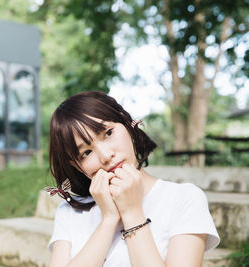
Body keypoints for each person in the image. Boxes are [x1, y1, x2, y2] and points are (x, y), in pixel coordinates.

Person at [46, 91, 219, 267]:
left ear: (127, 124)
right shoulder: (69, 212)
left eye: (108, 133)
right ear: (76, 166)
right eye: (86, 153)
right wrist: (109, 220)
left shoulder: (184, 199)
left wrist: (132, 213)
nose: (105, 156)